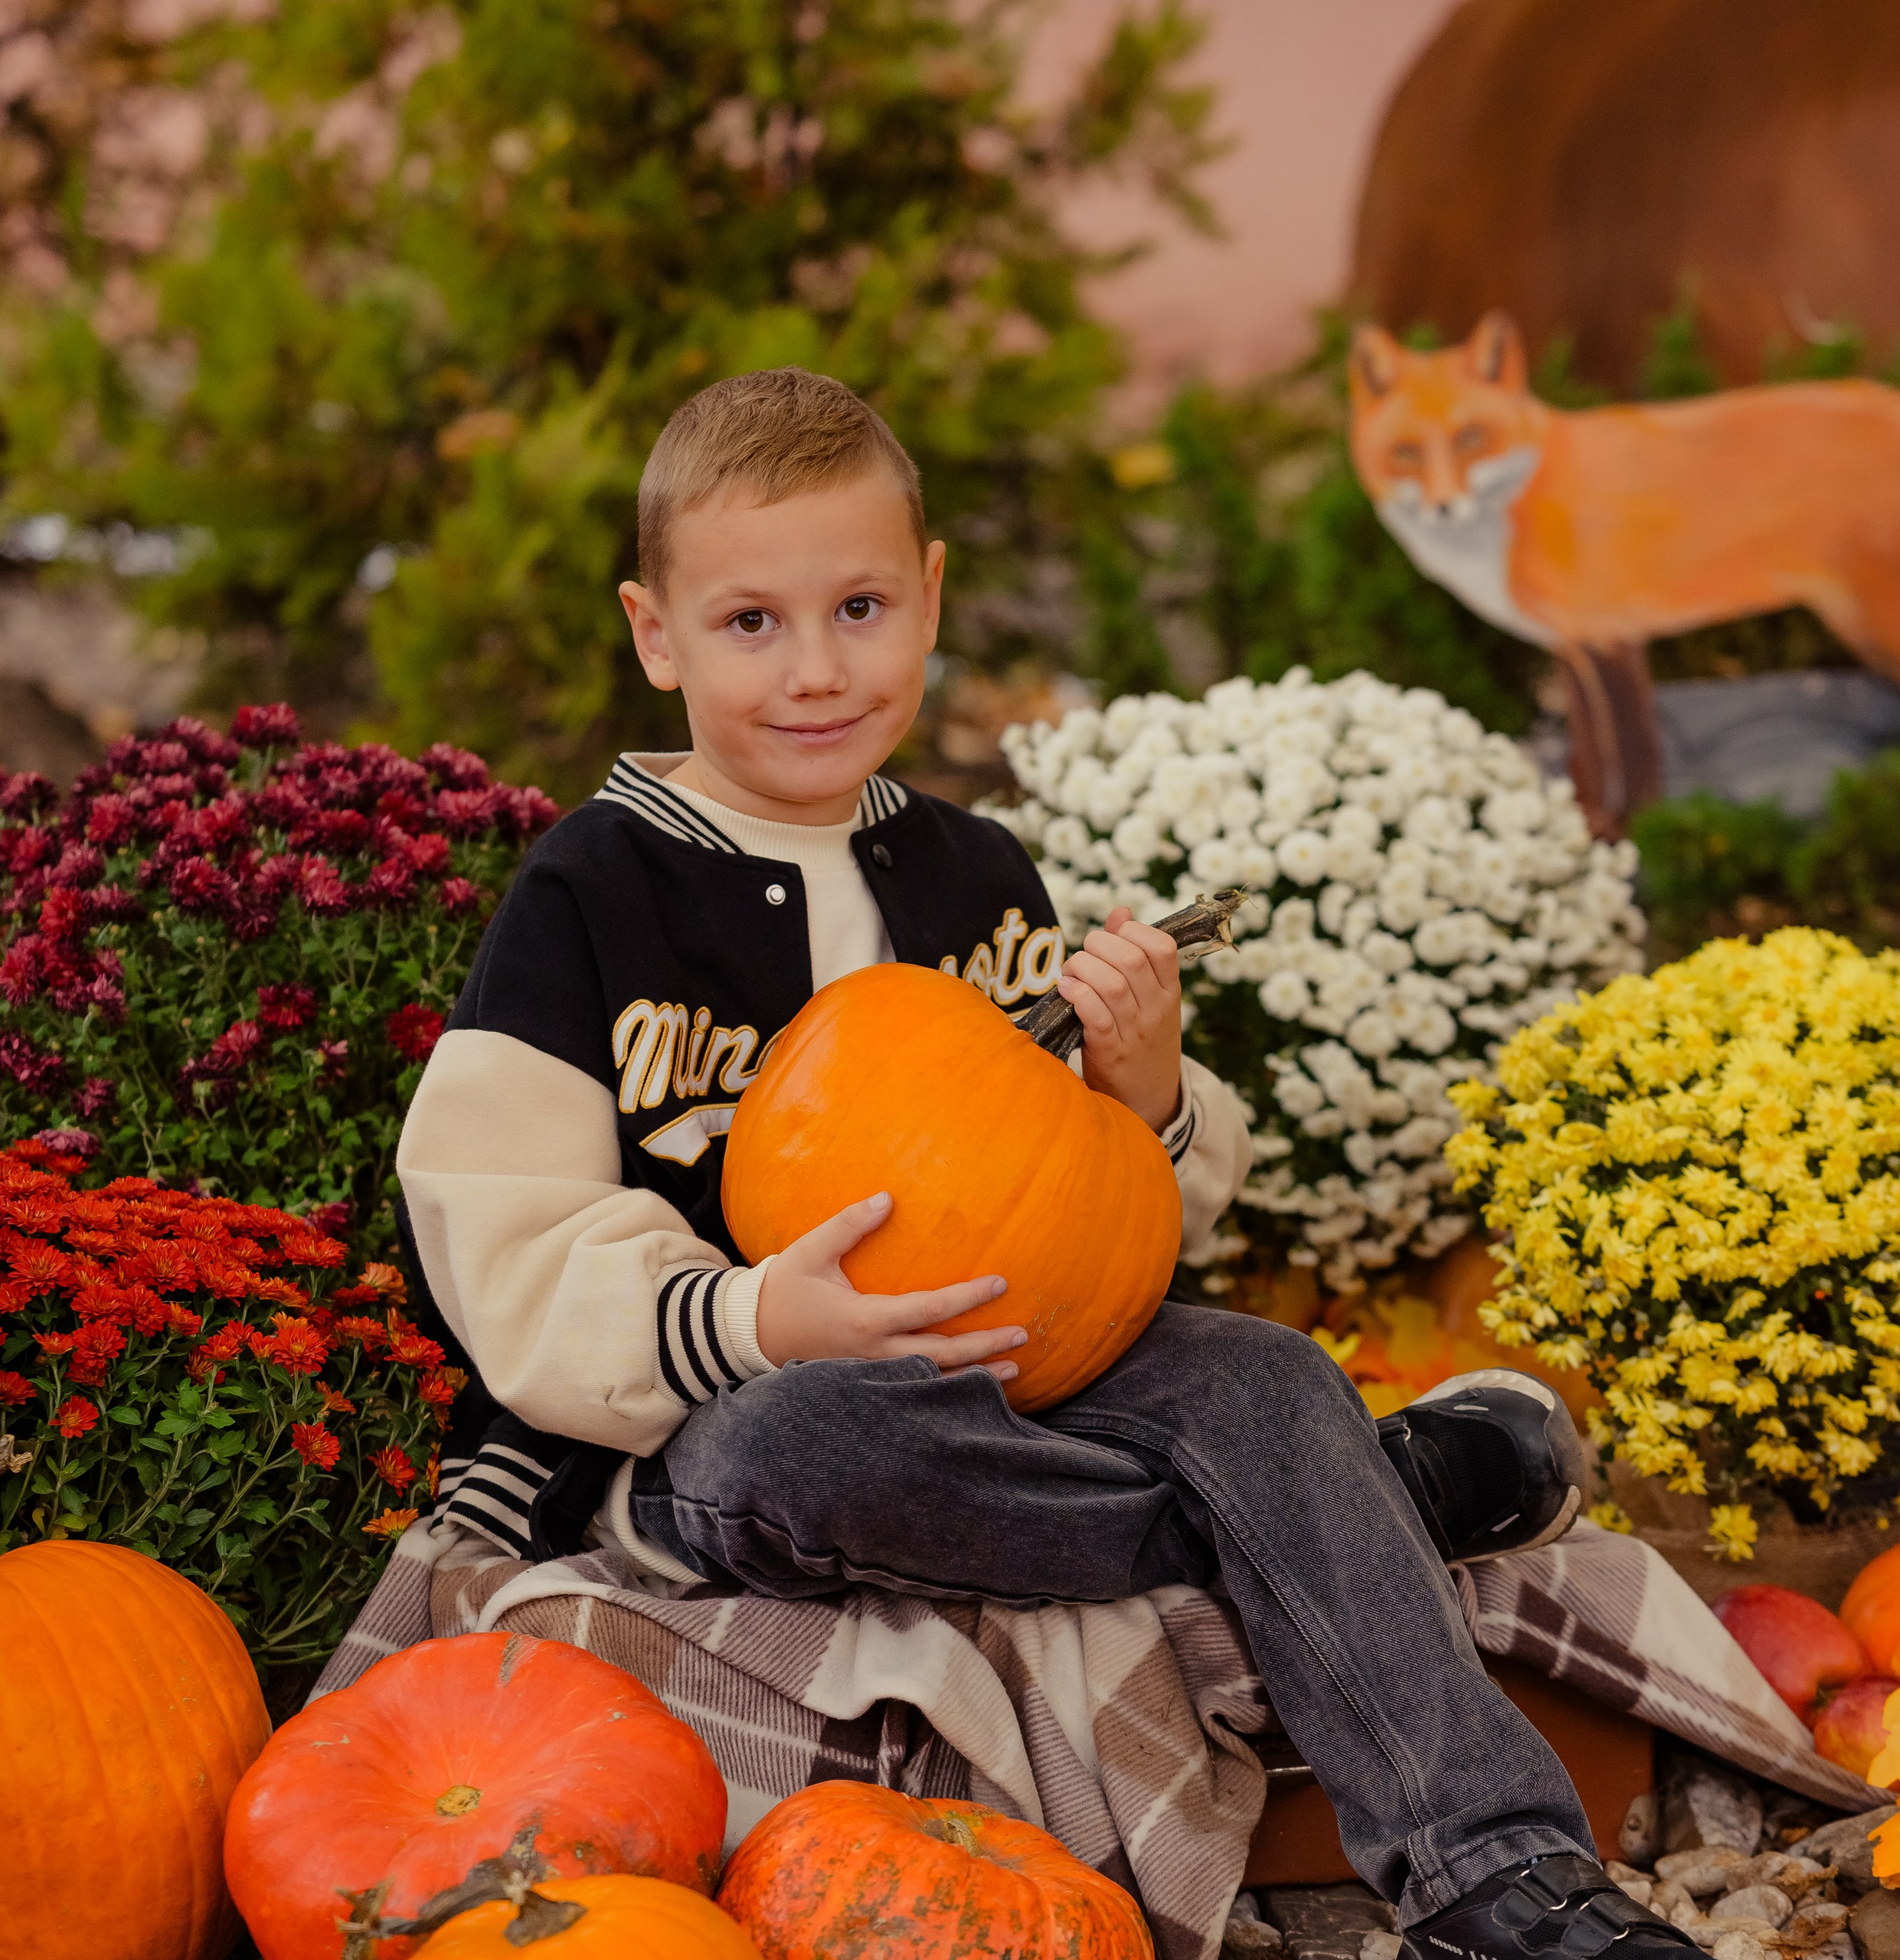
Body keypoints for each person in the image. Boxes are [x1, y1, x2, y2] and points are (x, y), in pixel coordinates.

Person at [397, 367, 1692, 1960]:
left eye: (860, 605)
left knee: (1270, 1380)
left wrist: (1141, 1092)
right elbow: (494, 1228)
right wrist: (747, 1321)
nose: (815, 668)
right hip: (724, 1420)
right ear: (654, 632)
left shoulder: (971, 875)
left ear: (930, 598)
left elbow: (1080, 1214)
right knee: (809, 1443)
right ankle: (1373, 1497)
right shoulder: (591, 894)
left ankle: (1494, 1871)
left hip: (1027, 1373)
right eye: (750, 623)